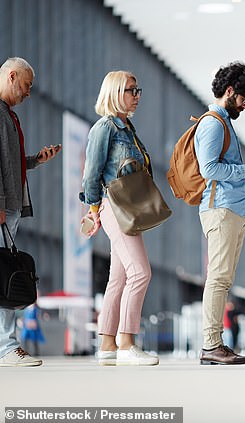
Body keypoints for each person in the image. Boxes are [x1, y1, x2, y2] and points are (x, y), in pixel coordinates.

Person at [80, 70, 158, 366]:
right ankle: (127, 342)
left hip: (129, 207)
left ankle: (107, 345)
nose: (136, 96)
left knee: (119, 277)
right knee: (141, 272)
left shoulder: (127, 128)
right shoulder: (105, 128)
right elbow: (92, 172)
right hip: (114, 205)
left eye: (138, 91)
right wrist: (93, 208)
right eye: (130, 90)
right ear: (114, 92)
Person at [197, 61, 245, 365]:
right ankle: (211, 344)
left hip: (232, 209)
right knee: (218, 278)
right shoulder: (213, 122)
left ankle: (215, 344)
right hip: (221, 208)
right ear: (230, 91)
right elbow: (208, 168)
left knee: (223, 278)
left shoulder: (225, 122)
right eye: (244, 99)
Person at [0, 57, 61, 367]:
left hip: (9, 205)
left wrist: (36, 160)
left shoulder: (7, 115)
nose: (28, 92)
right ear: (12, 76)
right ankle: (6, 348)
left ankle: (6, 347)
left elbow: (9, 162)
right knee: (4, 276)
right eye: (26, 85)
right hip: (3, 206)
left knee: (4, 275)